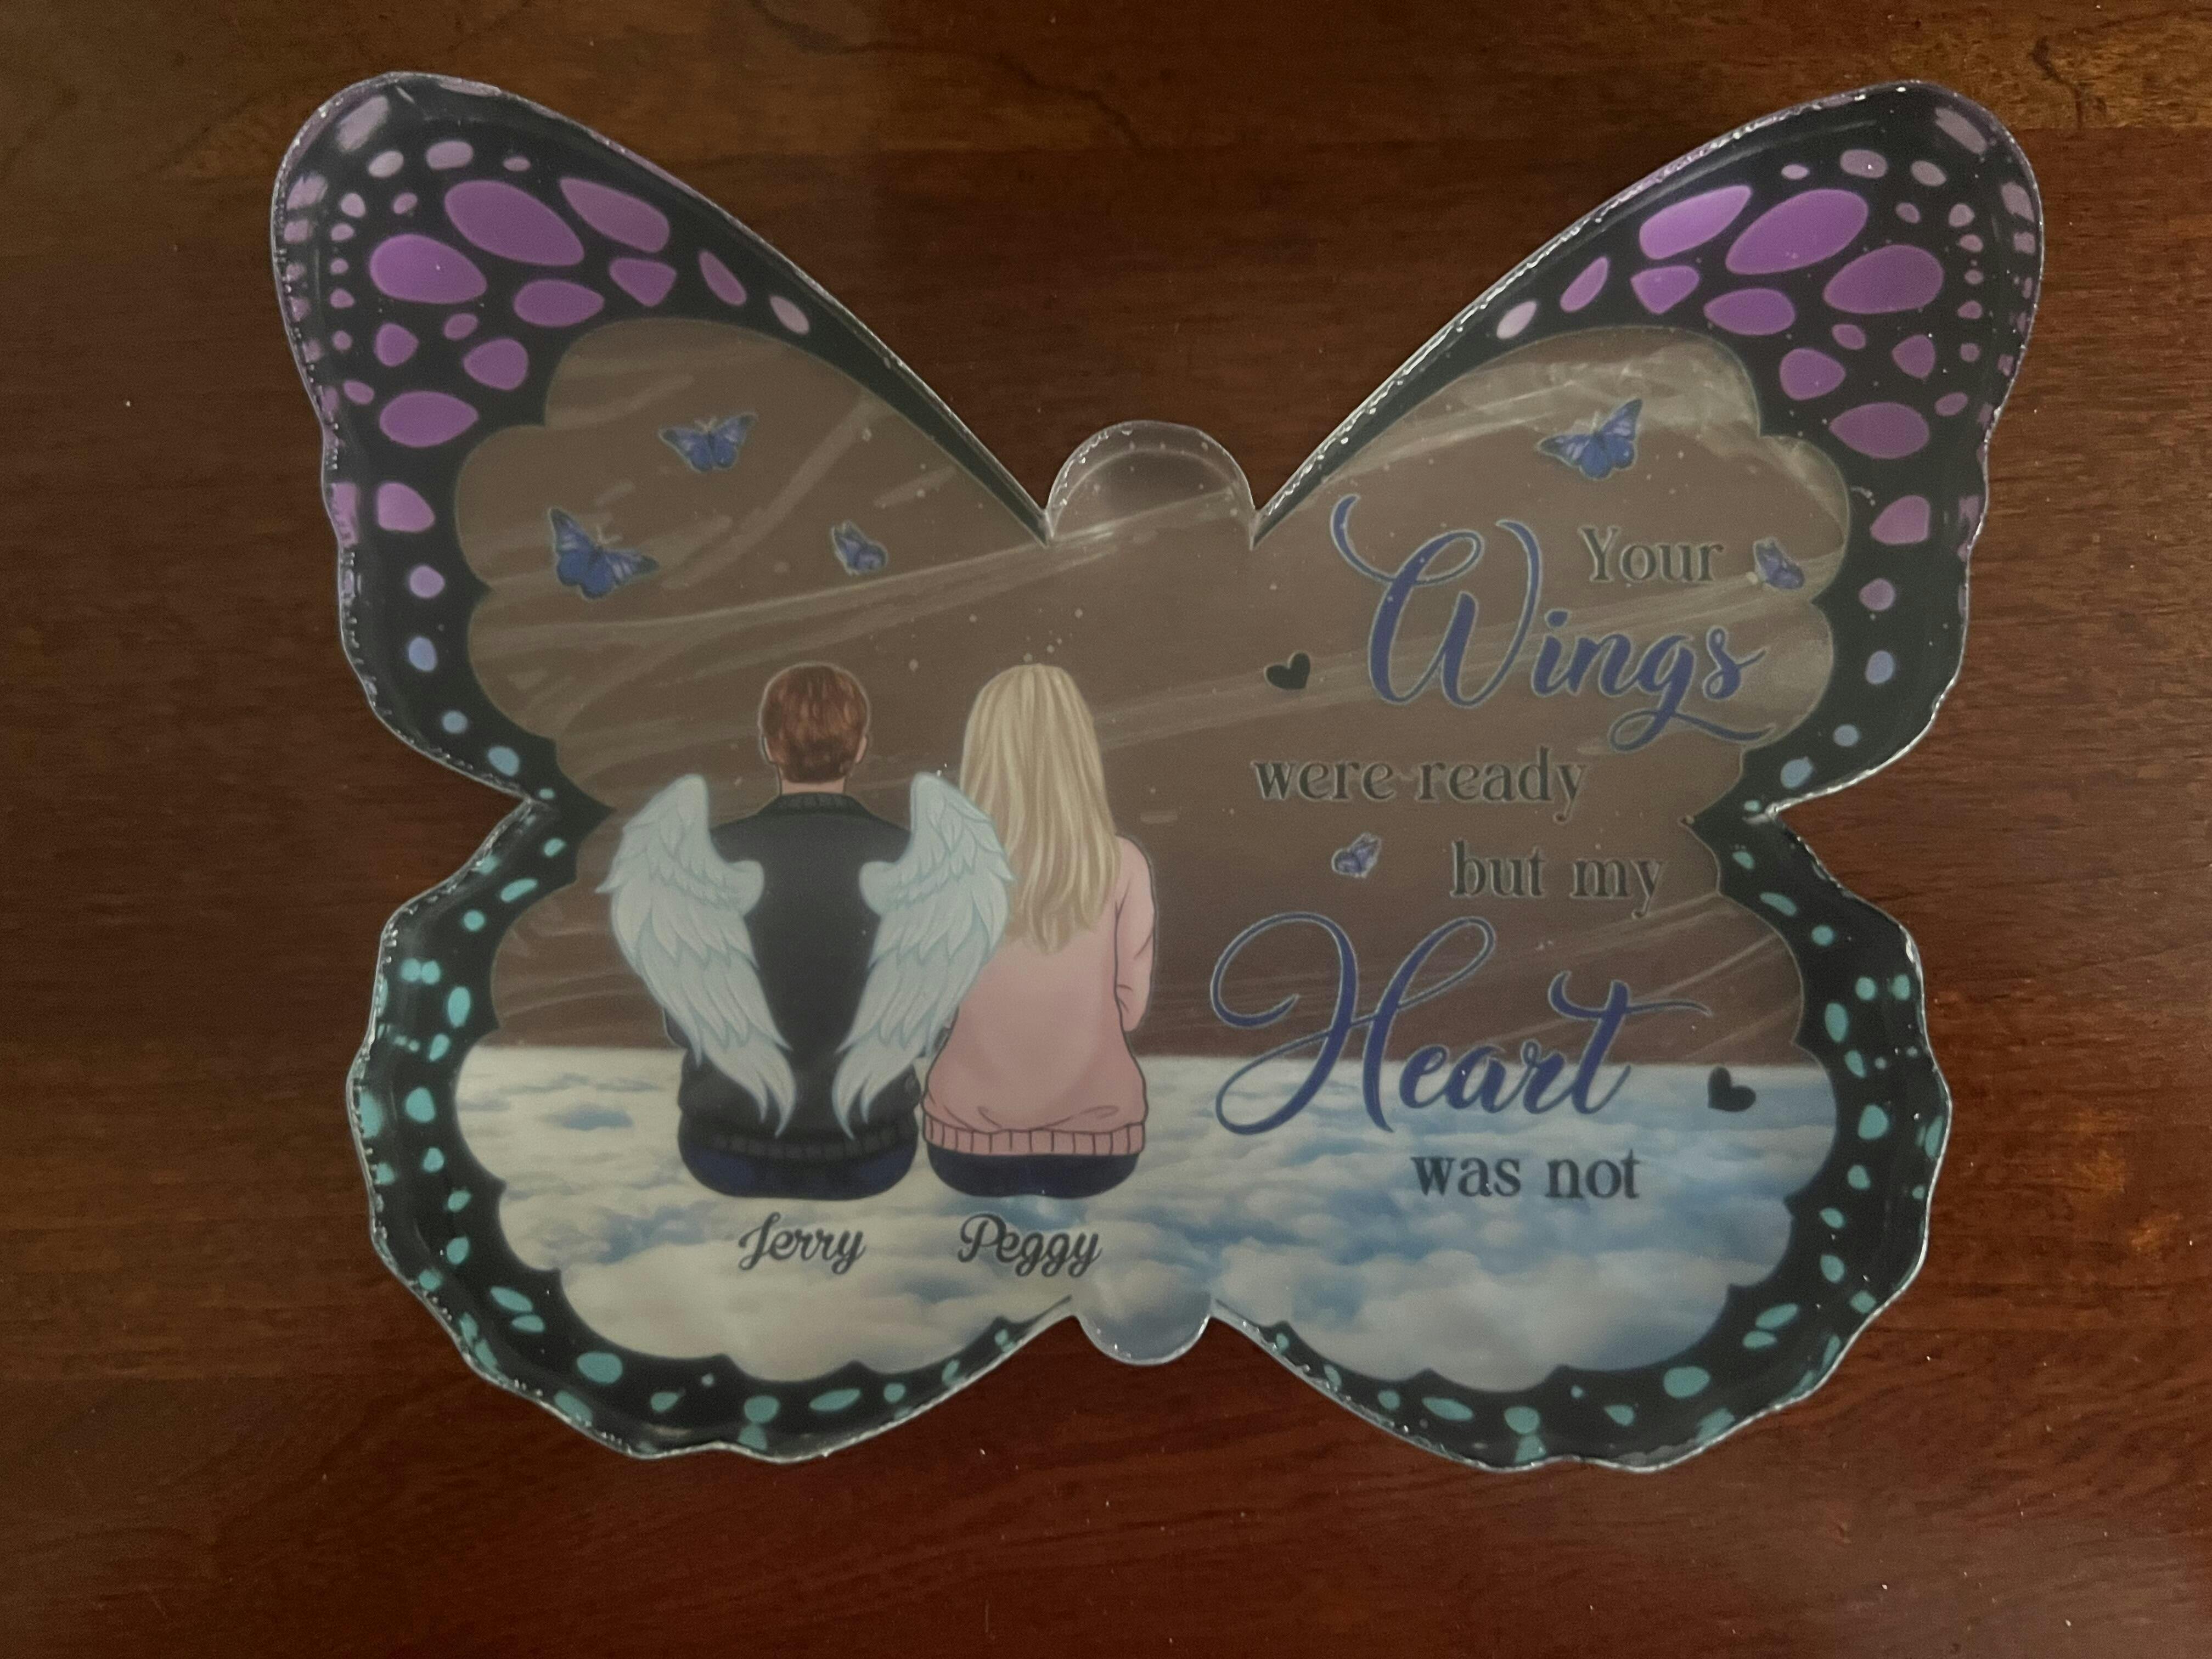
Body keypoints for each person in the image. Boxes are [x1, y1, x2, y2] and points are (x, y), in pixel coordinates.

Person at [666, 662, 918, 1199]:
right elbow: (929, 1022)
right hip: (873, 1154)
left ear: (769, 747)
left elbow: (683, 1020)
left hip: (723, 1150)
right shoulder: (912, 863)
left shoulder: (706, 862)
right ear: (861, 747)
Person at [922, 665, 1156, 1199]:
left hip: (965, 1147)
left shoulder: (945, 870)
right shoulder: (1124, 864)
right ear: (1080, 751)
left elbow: (936, 1011)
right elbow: (1129, 1009)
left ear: (982, 752)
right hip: (1101, 1149)